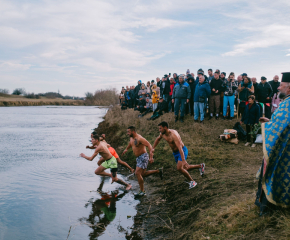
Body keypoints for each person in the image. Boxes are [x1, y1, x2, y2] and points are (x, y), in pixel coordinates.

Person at [255, 72, 290, 215]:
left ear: (289, 88)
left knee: (273, 174)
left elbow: (280, 127)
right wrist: (271, 122)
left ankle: (267, 209)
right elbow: (283, 125)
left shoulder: (287, 104)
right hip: (285, 148)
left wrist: (268, 126)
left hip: (280, 150)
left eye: (281, 86)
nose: (278, 88)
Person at [152, 122, 205, 189]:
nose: (159, 130)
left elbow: (180, 148)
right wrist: (153, 148)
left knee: (179, 168)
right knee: (184, 168)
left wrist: (183, 160)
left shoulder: (174, 135)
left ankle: (193, 182)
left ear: (165, 127)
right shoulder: (162, 134)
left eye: (160, 128)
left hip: (182, 151)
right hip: (175, 153)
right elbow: (158, 139)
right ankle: (200, 166)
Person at [122, 126, 163, 197]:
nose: (127, 133)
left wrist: (151, 157)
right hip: (138, 158)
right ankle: (158, 171)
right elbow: (130, 143)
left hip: (143, 157)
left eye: (128, 132)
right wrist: (126, 149)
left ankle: (142, 191)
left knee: (137, 173)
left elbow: (149, 145)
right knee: (142, 174)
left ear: (133, 132)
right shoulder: (131, 138)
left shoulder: (139, 138)